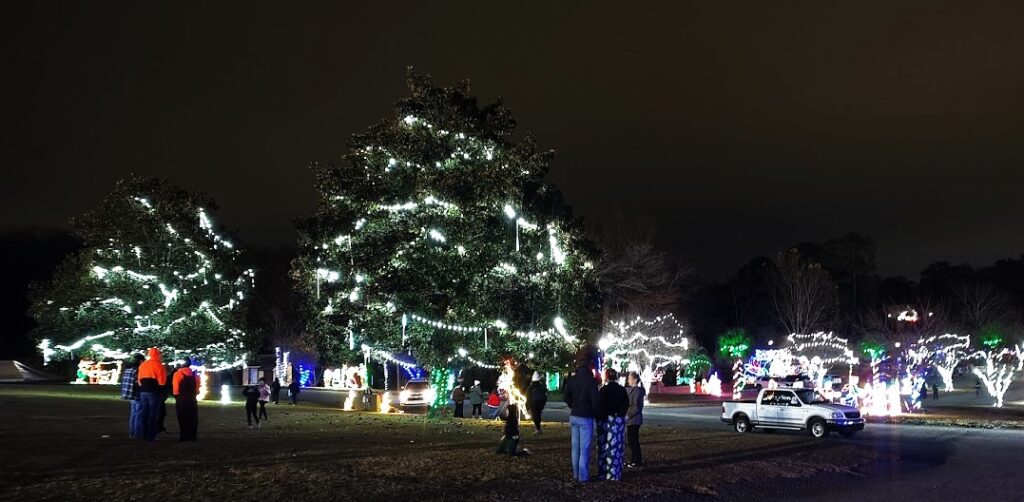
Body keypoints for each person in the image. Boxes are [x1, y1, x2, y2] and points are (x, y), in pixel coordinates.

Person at [564, 365, 601, 482]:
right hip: (586, 416)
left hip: (574, 414)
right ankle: (583, 476)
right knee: (584, 448)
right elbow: (595, 401)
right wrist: (595, 412)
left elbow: (565, 396)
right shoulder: (591, 381)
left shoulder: (572, 379)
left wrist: (572, 405)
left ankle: (576, 474)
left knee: (575, 447)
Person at [597, 368, 629, 481]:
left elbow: (599, 405)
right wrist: (619, 414)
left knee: (605, 447)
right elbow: (626, 404)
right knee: (617, 447)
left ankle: (604, 472)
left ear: (606, 377)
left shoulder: (603, 390)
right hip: (618, 421)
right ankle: (615, 473)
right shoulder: (621, 390)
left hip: (605, 421)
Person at [137, 347, 168, 442]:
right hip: (154, 392)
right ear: (158, 355)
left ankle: (143, 434)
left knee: (144, 413)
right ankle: (151, 436)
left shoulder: (143, 365)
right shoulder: (159, 365)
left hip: (143, 391)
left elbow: (139, 380)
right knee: (153, 414)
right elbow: (162, 382)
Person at [172, 358, 200, 441]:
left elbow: (175, 389)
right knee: (193, 417)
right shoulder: (194, 375)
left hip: (181, 399)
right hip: (192, 399)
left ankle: (184, 435)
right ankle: (192, 436)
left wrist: (176, 395)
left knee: (182, 417)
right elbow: (197, 389)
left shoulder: (178, 374)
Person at [120, 353, 144, 439]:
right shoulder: (137, 370)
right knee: (139, 414)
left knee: (133, 413)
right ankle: (137, 434)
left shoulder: (127, 369)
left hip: (129, 393)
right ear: (141, 361)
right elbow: (138, 382)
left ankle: (132, 433)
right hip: (137, 393)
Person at [625, 371, 646, 468]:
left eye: (630, 378)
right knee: (632, 441)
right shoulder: (633, 390)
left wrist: (629, 415)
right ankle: (634, 460)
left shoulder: (637, 391)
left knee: (633, 441)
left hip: (634, 420)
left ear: (635, 380)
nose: (628, 380)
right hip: (632, 420)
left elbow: (637, 406)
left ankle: (637, 460)